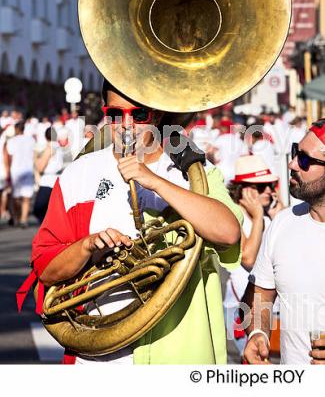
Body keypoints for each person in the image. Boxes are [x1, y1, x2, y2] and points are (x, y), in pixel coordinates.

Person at [19, 80, 243, 365]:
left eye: (138, 115)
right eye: (115, 114)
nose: (125, 125)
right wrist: (87, 247)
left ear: (158, 115)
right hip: (98, 357)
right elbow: (45, 269)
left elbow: (228, 233)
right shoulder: (79, 174)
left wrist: (156, 182)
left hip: (175, 351)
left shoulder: (193, 174)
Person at [241, 118, 325, 365]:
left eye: (305, 160)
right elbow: (260, 296)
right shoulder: (283, 222)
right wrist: (258, 333)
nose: (292, 163)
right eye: (295, 153)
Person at [224, 155, 282, 358]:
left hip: (270, 307)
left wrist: (278, 219)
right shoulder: (232, 215)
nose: (268, 191)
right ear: (244, 190)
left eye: (271, 185)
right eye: (261, 186)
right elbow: (247, 258)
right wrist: (258, 217)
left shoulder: (271, 214)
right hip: (241, 308)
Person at [4, 121, 35, 228]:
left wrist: (7, 170)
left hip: (16, 170)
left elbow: (8, 156)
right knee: (26, 197)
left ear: (17, 129)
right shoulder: (31, 140)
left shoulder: (12, 141)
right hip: (28, 169)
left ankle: (18, 217)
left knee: (16, 196)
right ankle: (24, 219)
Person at [33, 127, 64, 223]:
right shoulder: (60, 147)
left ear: (46, 137)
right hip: (58, 179)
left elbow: (40, 167)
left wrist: (35, 157)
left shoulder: (49, 147)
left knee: (38, 208)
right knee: (52, 209)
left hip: (47, 180)